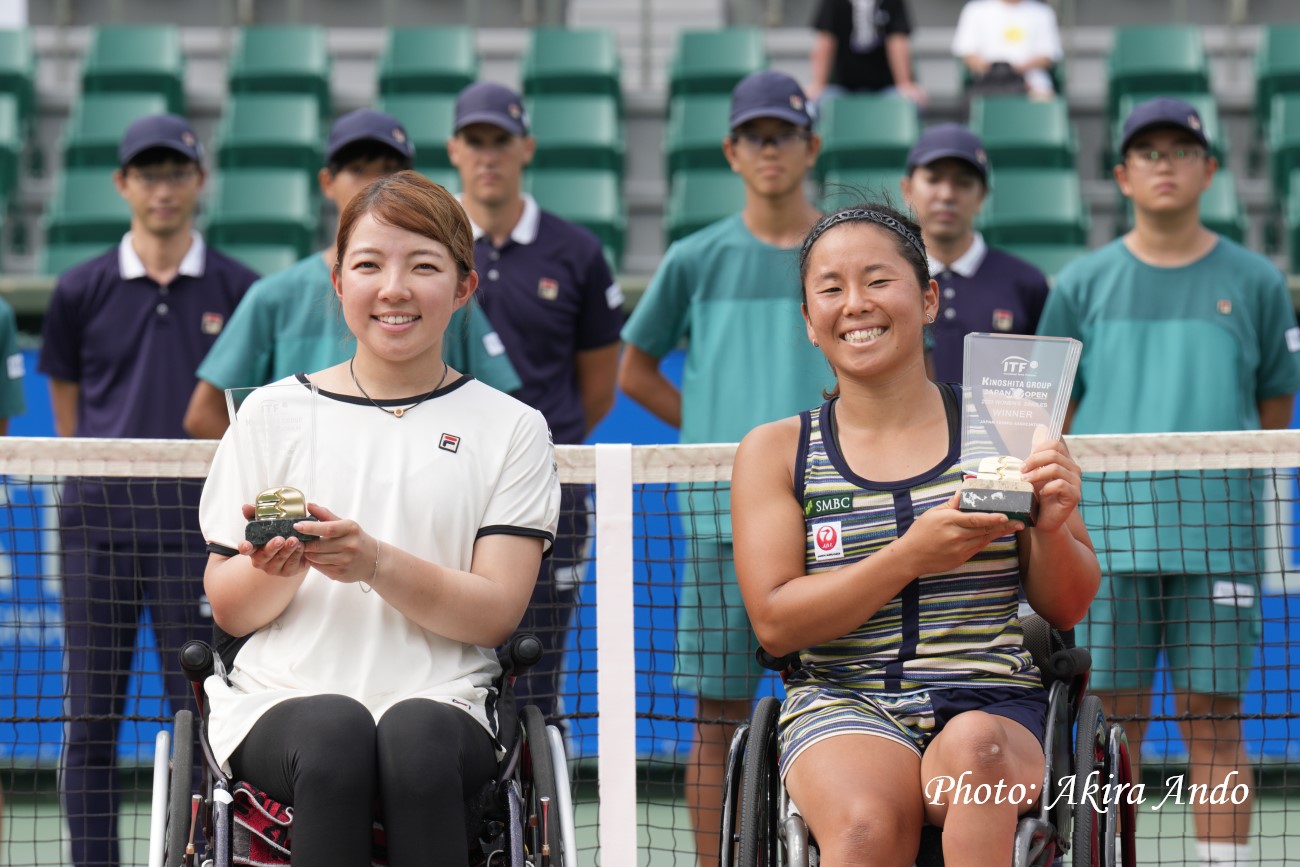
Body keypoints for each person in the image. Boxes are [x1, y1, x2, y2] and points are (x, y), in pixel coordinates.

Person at [199, 171, 560, 867]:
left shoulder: (512, 427)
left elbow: (495, 614)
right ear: (338, 283)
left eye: (423, 265)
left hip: (447, 700)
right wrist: (275, 573)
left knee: (413, 736)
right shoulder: (271, 414)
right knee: (335, 729)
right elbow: (232, 610)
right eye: (368, 265)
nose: (392, 288)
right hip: (281, 699)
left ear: (463, 287)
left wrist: (374, 563)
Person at [732, 201, 1099, 866]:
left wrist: (1047, 527)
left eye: (878, 281)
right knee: (868, 829)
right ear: (809, 322)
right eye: (831, 288)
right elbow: (777, 625)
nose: (856, 304)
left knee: (979, 757)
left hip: (994, 696)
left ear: (928, 299)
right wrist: (909, 555)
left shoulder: (1011, 425)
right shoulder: (776, 450)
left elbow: (1068, 605)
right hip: (844, 699)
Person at [1037, 97, 1300, 867]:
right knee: (1110, 723)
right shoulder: (1082, 283)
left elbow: (1270, 410)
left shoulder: (1254, 281)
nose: (1164, 163)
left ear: (1209, 169)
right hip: (1105, 546)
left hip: (1217, 539)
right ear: (1121, 174)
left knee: (1213, 716)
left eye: (1181, 150)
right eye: (1146, 151)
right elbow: (1052, 419)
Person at [617, 70, 830, 867]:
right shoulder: (694, 257)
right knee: (717, 715)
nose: (769, 150)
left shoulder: (841, 248)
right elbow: (634, 368)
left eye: (784, 135)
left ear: (811, 146)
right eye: (754, 136)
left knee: (846, 707)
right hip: (722, 517)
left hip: (844, 512)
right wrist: (733, 445)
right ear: (731, 152)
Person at [38, 113, 258, 867]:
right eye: (147, 173)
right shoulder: (79, 289)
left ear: (198, 181)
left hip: (199, 536)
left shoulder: (240, 288)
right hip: (94, 527)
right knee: (90, 719)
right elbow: (70, 408)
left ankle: (196, 856)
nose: (162, 188)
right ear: (122, 184)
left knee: (199, 716)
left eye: (175, 172)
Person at [447, 82, 623, 723]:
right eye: (475, 141)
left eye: (501, 141)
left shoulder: (576, 251)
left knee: (535, 664)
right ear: (455, 149)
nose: (488, 155)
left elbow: (598, 384)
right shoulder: (428, 246)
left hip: (551, 487)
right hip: (447, 479)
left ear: (526, 148)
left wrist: (530, 451)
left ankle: (533, 811)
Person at [183, 108, 520, 440]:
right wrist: (278, 475)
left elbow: (496, 405)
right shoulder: (274, 295)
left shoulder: (442, 292)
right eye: (358, 169)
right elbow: (205, 413)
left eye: (390, 170)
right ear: (328, 182)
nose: (374, 183)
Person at [899, 123, 1050, 382]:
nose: (946, 195)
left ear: (982, 196)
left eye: (963, 183)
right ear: (907, 189)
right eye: (933, 179)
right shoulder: (888, 281)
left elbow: (1047, 382)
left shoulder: (1026, 283)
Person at [808, 0, 926, 106]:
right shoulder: (833, 2)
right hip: (842, 88)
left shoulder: (892, 2)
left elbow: (897, 41)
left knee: (909, 103)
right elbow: (826, 40)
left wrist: (904, 84)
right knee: (817, 103)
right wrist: (818, 84)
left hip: (886, 88)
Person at [952, 0, 1063, 100]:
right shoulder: (975, 10)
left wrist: (1013, 72)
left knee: (1044, 98)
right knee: (976, 103)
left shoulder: (1042, 12)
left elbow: (1046, 57)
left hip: (1032, 82)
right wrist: (997, 71)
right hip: (987, 80)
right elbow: (968, 55)